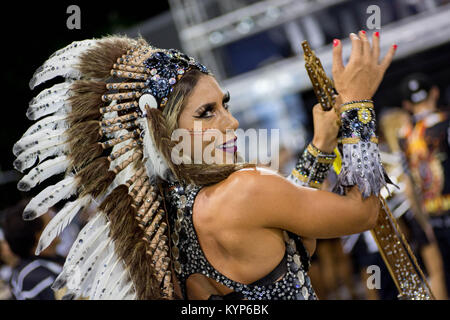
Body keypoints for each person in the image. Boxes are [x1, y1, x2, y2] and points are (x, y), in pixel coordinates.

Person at [12, 31, 397, 300]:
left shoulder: (164, 220)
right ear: (159, 133)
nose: (230, 122)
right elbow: (362, 212)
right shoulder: (244, 190)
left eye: (224, 105)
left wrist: (319, 146)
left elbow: (283, 230)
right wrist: (355, 106)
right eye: (206, 113)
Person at [399, 74, 450, 297]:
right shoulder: (445, 123)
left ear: (407, 105)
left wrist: (422, 223)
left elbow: (410, 187)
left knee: (440, 273)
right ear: (435, 93)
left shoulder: (405, 136)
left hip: (431, 217)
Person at [1, 200, 63, 300]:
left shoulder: (29, 271)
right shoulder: (40, 280)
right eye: (51, 220)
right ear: (40, 236)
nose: (57, 220)